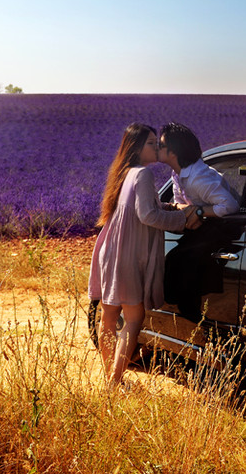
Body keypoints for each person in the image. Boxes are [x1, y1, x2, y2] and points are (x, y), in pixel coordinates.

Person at [88, 123, 195, 387]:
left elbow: (143, 208)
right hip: (128, 255)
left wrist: (170, 206)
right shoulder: (144, 175)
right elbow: (147, 215)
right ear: (136, 147)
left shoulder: (123, 174)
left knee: (109, 318)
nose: (156, 148)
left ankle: (110, 378)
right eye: (151, 143)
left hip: (109, 251)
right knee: (134, 319)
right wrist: (184, 218)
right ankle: (114, 383)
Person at [158, 122, 240, 321]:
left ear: (173, 153)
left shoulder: (198, 178)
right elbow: (180, 203)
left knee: (180, 262)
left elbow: (230, 206)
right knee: (177, 262)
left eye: (161, 146)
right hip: (200, 228)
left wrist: (201, 211)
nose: (157, 149)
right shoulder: (178, 174)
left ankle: (194, 320)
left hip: (221, 228)